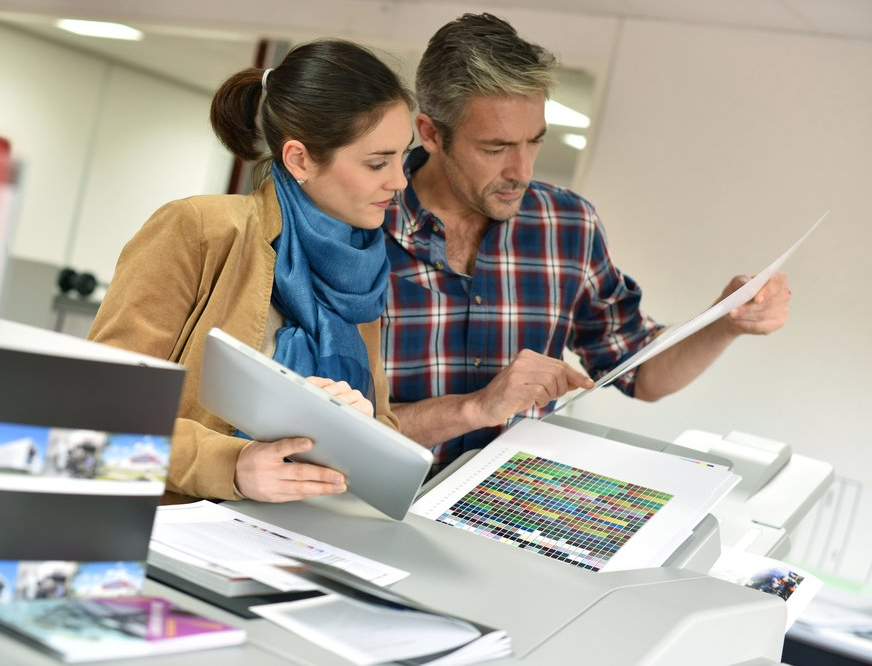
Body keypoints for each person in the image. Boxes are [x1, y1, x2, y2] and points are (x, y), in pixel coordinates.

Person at [381, 13, 792, 474]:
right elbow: (329, 420)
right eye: (495, 149)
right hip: (371, 514)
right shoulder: (362, 225)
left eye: (534, 141)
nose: (522, 171)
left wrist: (726, 320)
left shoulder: (567, 225)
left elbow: (641, 372)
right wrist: (475, 408)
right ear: (432, 133)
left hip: (511, 508)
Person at [89, 39, 413, 503]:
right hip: (178, 536)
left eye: (404, 156)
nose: (399, 181)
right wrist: (233, 466)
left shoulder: (362, 268)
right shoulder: (200, 229)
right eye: (378, 162)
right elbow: (97, 410)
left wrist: (356, 430)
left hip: (307, 542)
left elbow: (382, 427)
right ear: (299, 158)